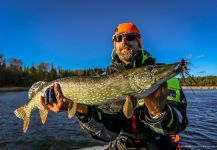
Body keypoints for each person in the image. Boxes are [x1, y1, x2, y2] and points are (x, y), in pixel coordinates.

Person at [40, 22, 188, 150]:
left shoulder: (165, 80)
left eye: (130, 37)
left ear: (139, 42)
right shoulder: (105, 79)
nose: (124, 41)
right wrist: (80, 108)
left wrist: (158, 112)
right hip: (121, 145)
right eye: (118, 38)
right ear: (115, 44)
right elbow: (107, 133)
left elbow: (179, 123)